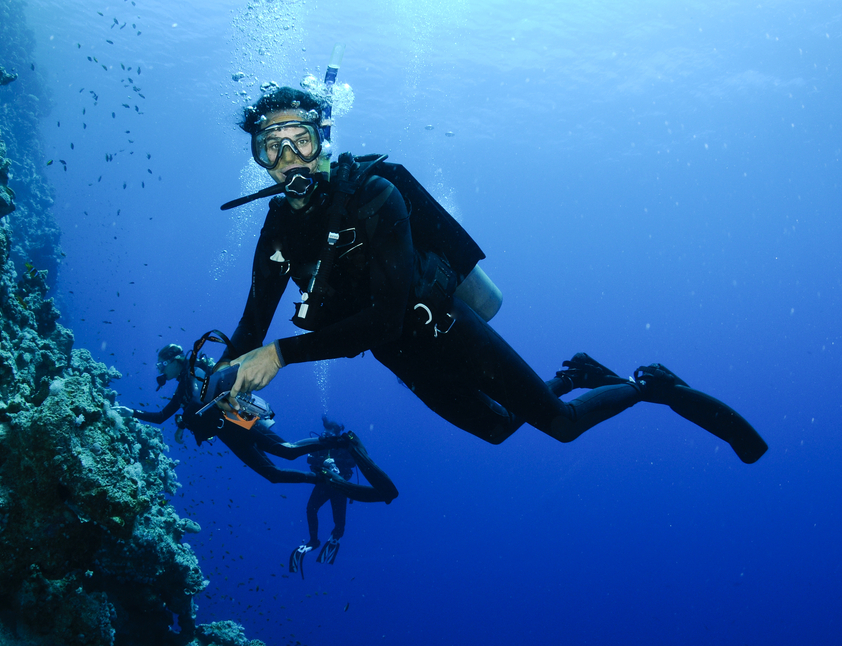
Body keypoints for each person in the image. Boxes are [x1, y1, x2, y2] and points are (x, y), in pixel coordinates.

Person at [216, 86, 768, 464]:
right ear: (260, 160)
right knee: (501, 429)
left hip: (439, 325)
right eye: (271, 146)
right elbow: (250, 327)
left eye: (301, 140)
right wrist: (218, 382)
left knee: (560, 425)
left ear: (322, 141)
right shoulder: (278, 232)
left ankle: (649, 387)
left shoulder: (374, 195)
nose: (289, 156)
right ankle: (576, 372)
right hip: (402, 355)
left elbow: (384, 317)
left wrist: (282, 354)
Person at [123, 342, 399, 501]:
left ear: (175, 361)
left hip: (236, 419)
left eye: (162, 365)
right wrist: (130, 412)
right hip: (228, 435)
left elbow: (197, 403)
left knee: (287, 451)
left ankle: (342, 440)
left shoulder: (194, 373)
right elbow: (161, 417)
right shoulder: (182, 387)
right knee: (274, 475)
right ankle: (323, 478)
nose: (161, 370)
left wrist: (184, 422)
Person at [288, 415, 360, 577]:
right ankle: (314, 540)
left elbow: (353, 463)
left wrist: (337, 461)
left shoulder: (343, 446)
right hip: (323, 484)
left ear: (336, 433)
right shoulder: (319, 445)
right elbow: (311, 462)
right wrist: (324, 463)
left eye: (329, 433)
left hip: (340, 485)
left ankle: (336, 535)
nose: (326, 435)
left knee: (339, 521)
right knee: (310, 509)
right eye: (325, 432)